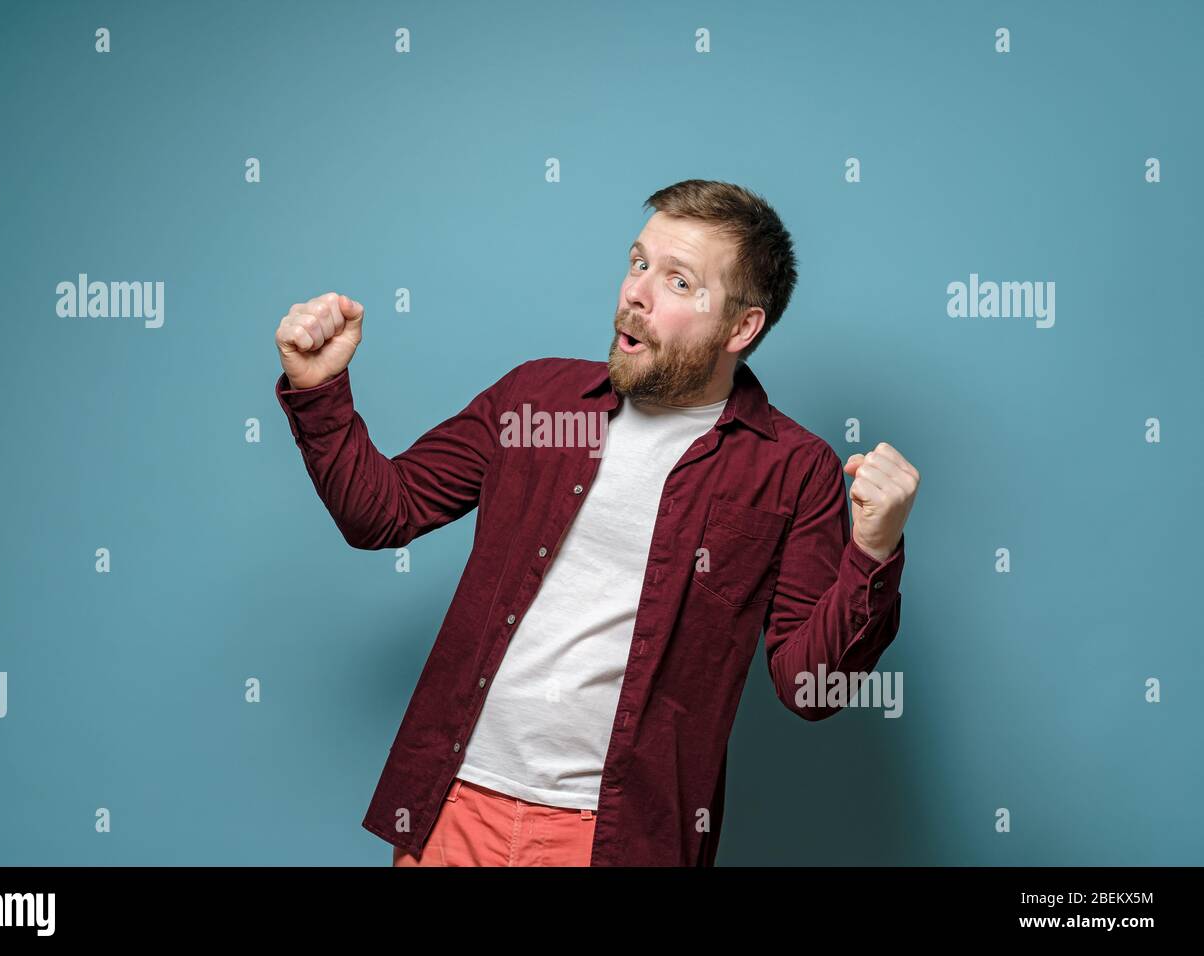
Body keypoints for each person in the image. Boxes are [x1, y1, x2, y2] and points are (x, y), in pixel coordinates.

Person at [273, 179, 920, 866]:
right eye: (638, 262)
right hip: (451, 810)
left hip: (616, 842)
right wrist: (319, 390)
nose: (635, 292)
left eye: (677, 281)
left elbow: (806, 687)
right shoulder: (534, 400)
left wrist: (873, 553)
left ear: (741, 328)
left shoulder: (793, 470)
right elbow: (383, 512)